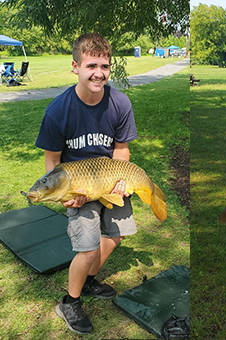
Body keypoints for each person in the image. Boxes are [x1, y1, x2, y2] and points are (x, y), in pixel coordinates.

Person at [35, 33, 138, 335]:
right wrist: (64, 196)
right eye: (91, 65)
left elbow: (121, 149)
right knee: (88, 248)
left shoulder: (119, 102)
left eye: (104, 66)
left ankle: (89, 280)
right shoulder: (58, 110)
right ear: (75, 67)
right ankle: (70, 301)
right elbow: (52, 160)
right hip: (78, 186)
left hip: (109, 178)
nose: (99, 73)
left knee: (116, 235)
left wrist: (122, 180)